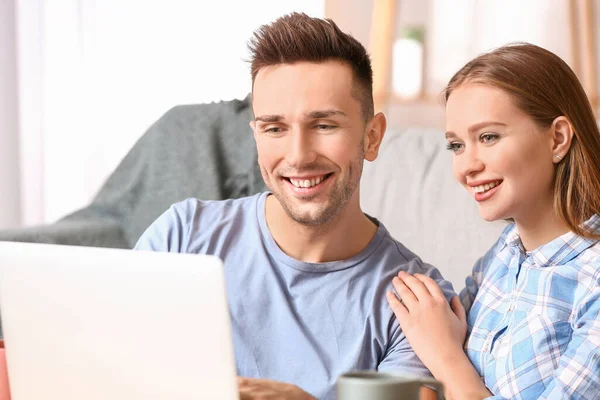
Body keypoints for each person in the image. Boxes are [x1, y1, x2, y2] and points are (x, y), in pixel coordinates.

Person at [135, 12, 453, 400]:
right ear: (256, 135)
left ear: (372, 137)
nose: (298, 156)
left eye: (323, 125)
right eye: (274, 128)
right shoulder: (182, 236)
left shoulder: (416, 301)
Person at [386, 42, 600, 400]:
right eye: (456, 146)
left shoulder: (591, 280)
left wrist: (446, 357)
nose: (467, 166)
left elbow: (441, 348)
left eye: (488, 137)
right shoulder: (502, 256)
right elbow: (430, 337)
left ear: (558, 139)